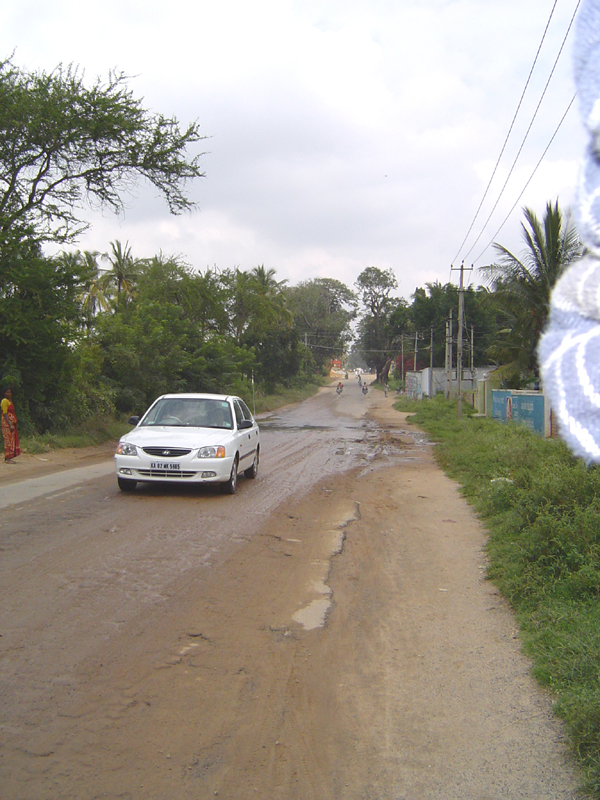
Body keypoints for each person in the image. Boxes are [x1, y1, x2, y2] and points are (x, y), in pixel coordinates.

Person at [2, 388, 20, 463]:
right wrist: (10, 425)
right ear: (4, 393)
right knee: (8, 440)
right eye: (7, 392)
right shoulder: (4, 401)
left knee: (12, 439)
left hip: (12, 423)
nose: (8, 394)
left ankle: (10, 456)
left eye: (9, 392)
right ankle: (7, 458)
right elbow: (5, 414)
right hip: (7, 424)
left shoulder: (10, 401)